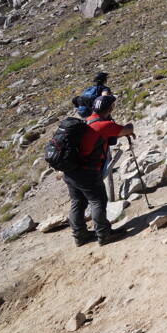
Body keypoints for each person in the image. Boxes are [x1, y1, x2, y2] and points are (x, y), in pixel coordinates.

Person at [65, 95, 134, 246]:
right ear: (109, 109)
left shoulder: (87, 121)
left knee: (78, 201)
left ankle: (80, 235)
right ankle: (104, 234)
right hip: (87, 172)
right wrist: (129, 125)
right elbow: (127, 129)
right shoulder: (103, 125)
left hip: (71, 171)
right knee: (98, 201)